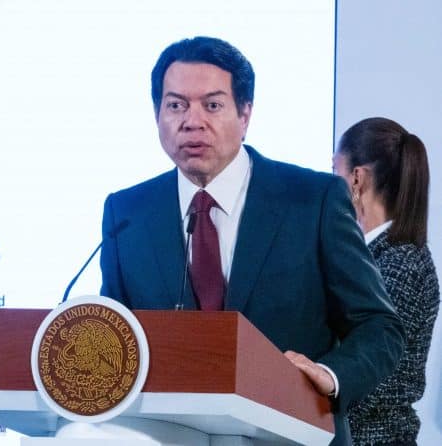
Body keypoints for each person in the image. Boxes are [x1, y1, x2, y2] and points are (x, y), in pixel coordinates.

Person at [99, 36, 405, 445]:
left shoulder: (312, 200)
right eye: (176, 105)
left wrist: (329, 376)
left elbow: (379, 326)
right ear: (157, 114)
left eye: (212, 105)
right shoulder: (127, 213)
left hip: (290, 435)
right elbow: (114, 335)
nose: (192, 121)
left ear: (245, 114)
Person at [334, 118, 439, 445]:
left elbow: (372, 378)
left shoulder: (401, 264)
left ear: (356, 178)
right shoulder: (374, 256)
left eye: (333, 169)